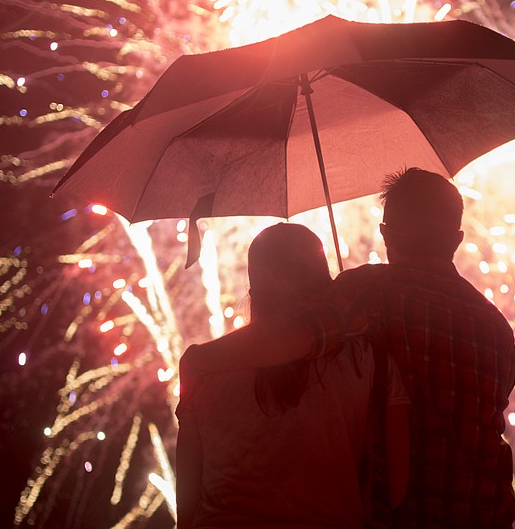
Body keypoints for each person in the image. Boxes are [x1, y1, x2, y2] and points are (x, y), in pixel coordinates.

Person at [181, 168, 515, 527]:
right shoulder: (495, 327)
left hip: (407, 517)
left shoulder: (365, 294)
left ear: (385, 233)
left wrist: (201, 359)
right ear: (457, 239)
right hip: (484, 513)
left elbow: (297, 334)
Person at [176, 223, 410, 528]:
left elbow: (187, 502)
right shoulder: (371, 361)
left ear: (252, 292)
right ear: (326, 283)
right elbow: (396, 487)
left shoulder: (204, 370)